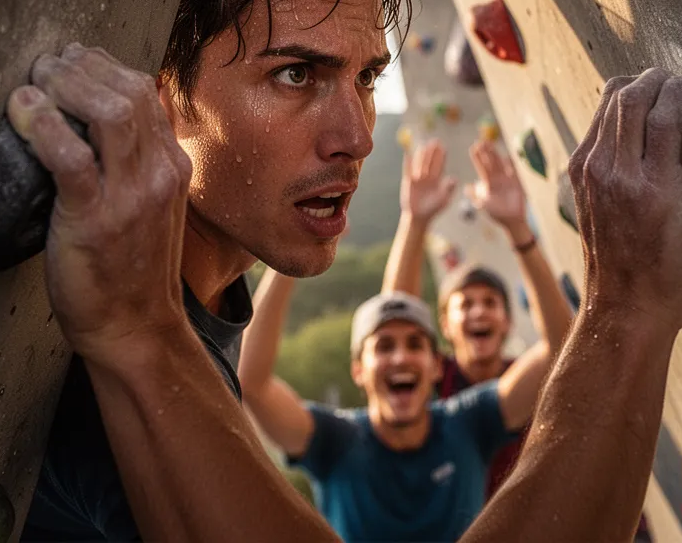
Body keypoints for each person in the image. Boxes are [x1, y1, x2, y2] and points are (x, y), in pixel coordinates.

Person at [17, 0, 501, 540]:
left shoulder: (182, 278)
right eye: (296, 75)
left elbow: (293, 20)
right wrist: (626, 314)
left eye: (366, 78)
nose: (357, 139)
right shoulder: (117, 374)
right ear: (160, 96)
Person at [236, 227, 567, 543]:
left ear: (436, 366)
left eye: (414, 344)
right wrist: (292, 261)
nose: (400, 358)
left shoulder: (469, 424)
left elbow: (562, 347)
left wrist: (520, 232)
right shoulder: (335, 441)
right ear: (358, 371)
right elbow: (252, 383)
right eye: (384, 347)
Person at [381, 138, 574, 499]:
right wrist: (414, 222)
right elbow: (395, 320)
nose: (479, 311)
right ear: (445, 326)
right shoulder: (430, 378)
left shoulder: (524, 377)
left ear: (507, 323)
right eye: (465, 304)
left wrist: (518, 227)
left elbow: (563, 343)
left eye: (489, 303)